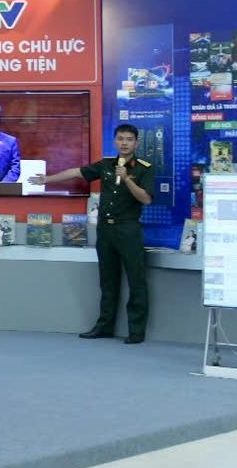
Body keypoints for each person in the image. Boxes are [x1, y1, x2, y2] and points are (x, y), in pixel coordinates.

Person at [31, 123, 155, 343]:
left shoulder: (144, 168)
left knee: (136, 280)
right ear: (115, 141)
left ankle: (136, 331)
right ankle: (105, 326)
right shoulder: (106, 164)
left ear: (136, 143)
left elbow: (145, 199)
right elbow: (77, 172)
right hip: (106, 229)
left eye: (129, 139)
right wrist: (47, 180)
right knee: (107, 280)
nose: (124, 143)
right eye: (120, 139)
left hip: (128, 229)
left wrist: (127, 178)